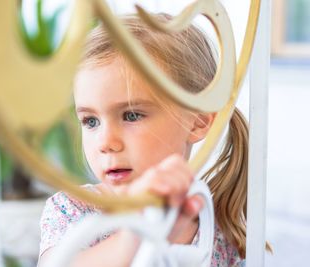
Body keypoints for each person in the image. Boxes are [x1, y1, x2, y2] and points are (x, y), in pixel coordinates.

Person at [38, 13, 249, 267]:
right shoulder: (71, 210)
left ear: (199, 121)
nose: (105, 142)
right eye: (90, 121)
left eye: (131, 115)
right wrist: (135, 233)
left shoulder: (218, 233)